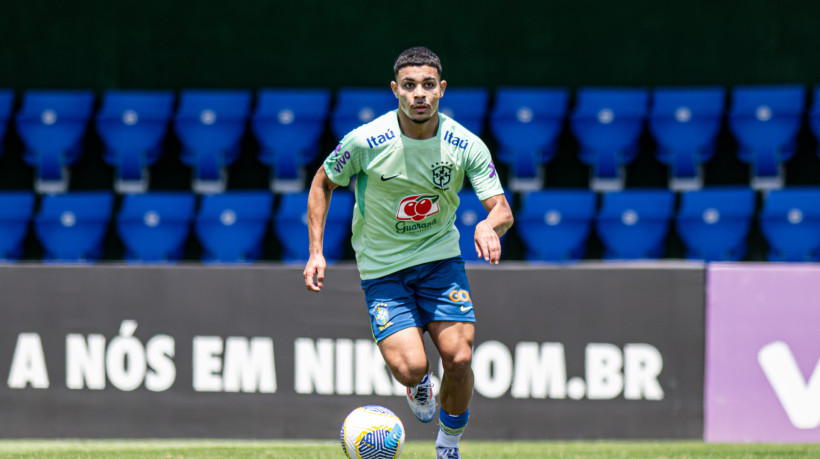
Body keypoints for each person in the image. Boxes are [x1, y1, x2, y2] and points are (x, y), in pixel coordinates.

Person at [303, 46, 513, 459]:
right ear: (396, 89)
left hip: (440, 262)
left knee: (459, 356)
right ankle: (418, 385)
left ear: (442, 90)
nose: (420, 94)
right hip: (383, 270)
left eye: (428, 85)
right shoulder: (365, 141)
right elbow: (322, 182)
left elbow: (502, 208)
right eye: (410, 85)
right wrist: (316, 252)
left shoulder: (465, 144)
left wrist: (490, 225)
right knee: (412, 368)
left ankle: (447, 446)